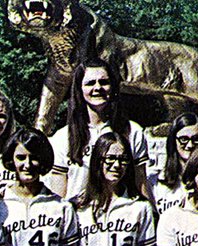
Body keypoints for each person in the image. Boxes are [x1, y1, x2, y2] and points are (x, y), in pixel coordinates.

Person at [49, 58, 152, 201]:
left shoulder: (133, 132)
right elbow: (58, 197)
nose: (97, 88)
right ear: (79, 89)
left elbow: (141, 184)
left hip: (121, 218)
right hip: (80, 218)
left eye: (104, 82)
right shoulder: (62, 138)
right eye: (90, 83)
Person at [151, 113, 198, 214]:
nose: (190, 145)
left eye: (196, 139)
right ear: (174, 141)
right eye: (184, 139)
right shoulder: (156, 183)